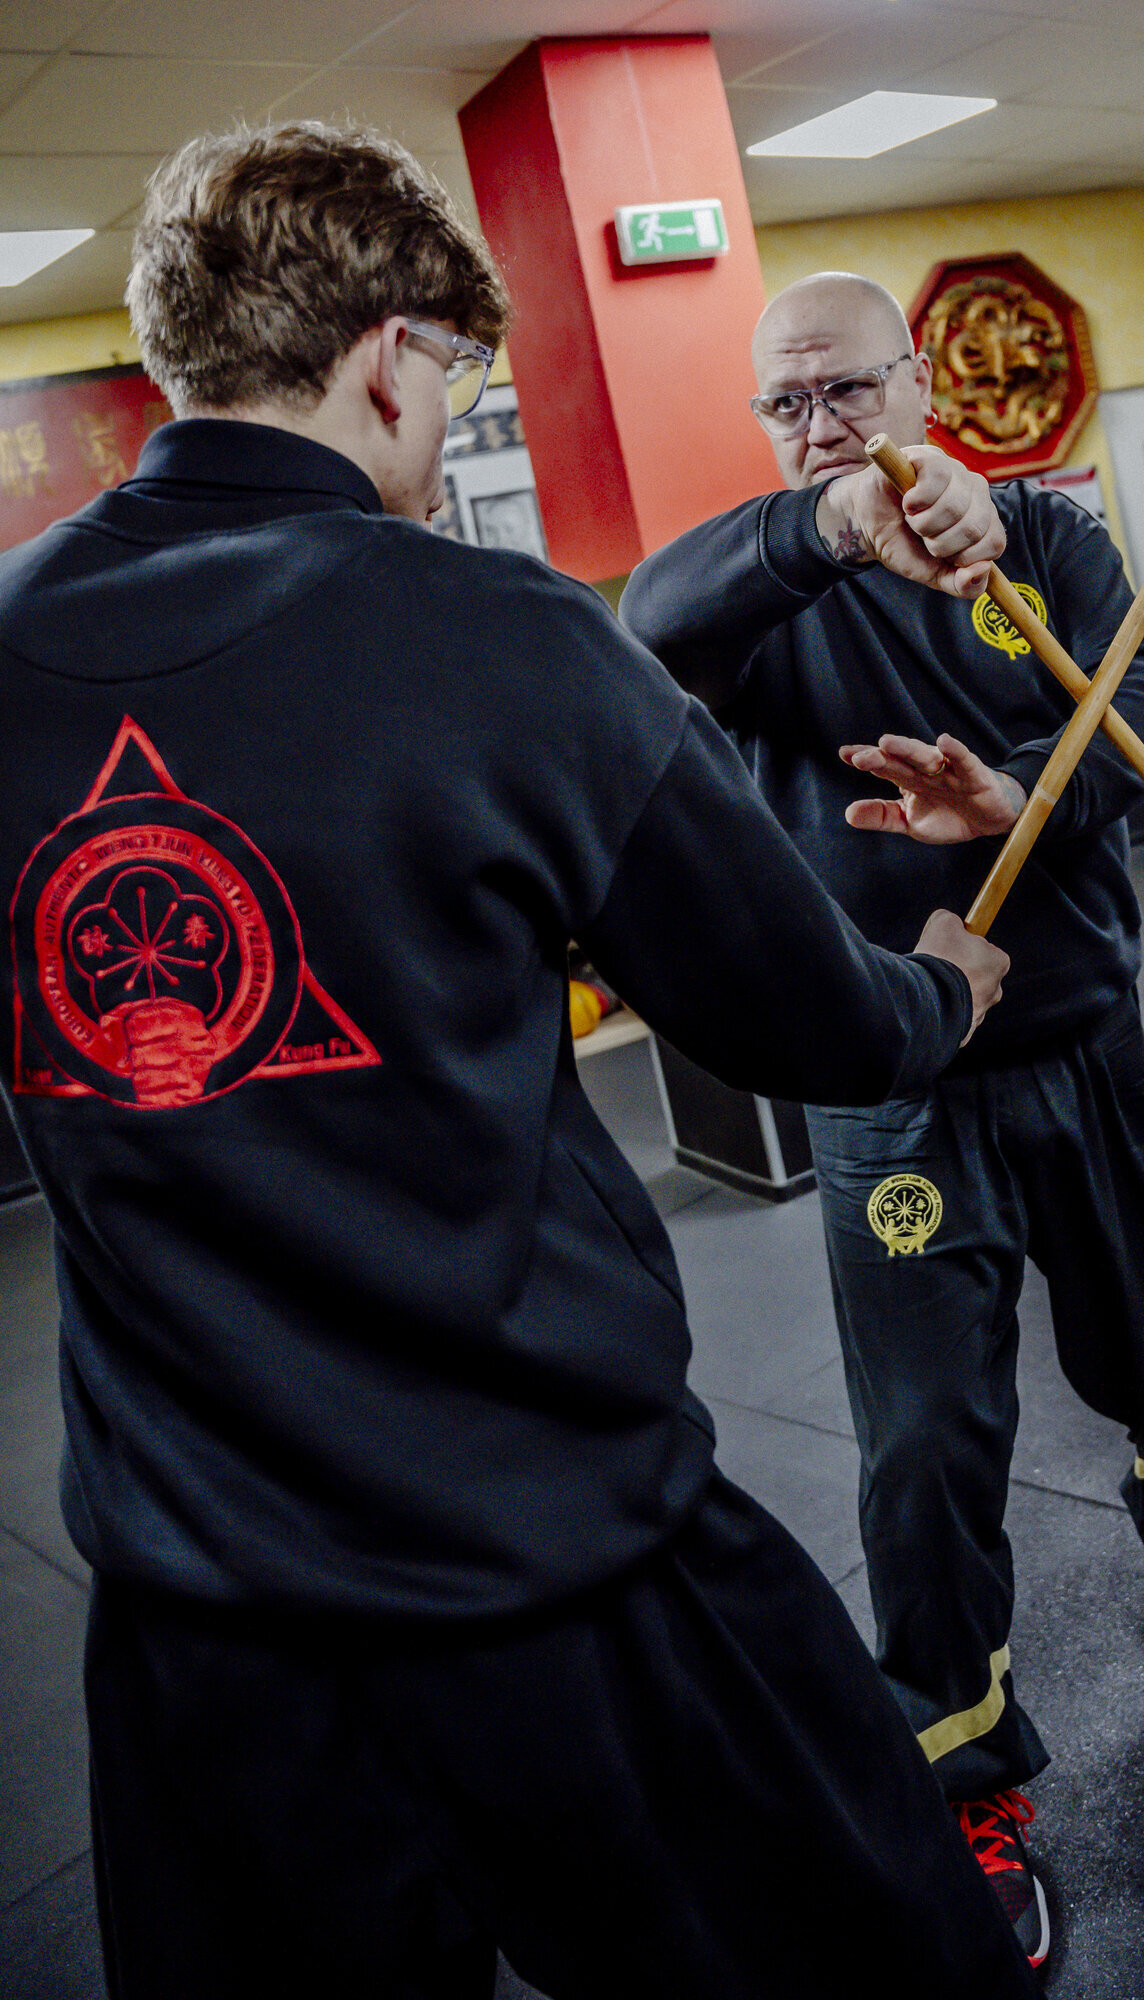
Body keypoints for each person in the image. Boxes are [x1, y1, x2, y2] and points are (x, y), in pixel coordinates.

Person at [0, 133, 1044, 2000]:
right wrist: (943, 983)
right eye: (457, 382)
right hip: (551, 1565)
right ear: (394, 355)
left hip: (198, 1610)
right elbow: (797, 1017)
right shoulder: (487, 630)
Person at [621, 269, 1144, 1970]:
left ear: (914, 376)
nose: (819, 429)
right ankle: (957, 1755)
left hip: (1081, 1034)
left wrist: (1029, 795)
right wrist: (833, 524)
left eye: (845, 394)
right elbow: (646, 622)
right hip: (895, 1073)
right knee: (926, 1439)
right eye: (785, 404)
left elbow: (1143, 713)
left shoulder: (1046, 543)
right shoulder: (767, 582)